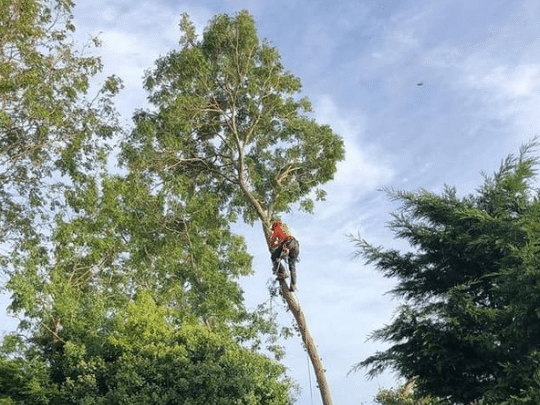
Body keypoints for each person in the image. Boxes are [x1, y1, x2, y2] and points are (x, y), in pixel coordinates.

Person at [270, 220, 300, 291]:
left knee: (274, 257)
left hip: (287, 244)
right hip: (295, 245)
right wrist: (278, 244)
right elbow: (284, 239)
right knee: (292, 265)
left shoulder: (277, 228)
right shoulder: (285, 226)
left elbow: (272, 241)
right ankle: (293, 285)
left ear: (274, 226)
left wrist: (271, 246)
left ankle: (283, 272)